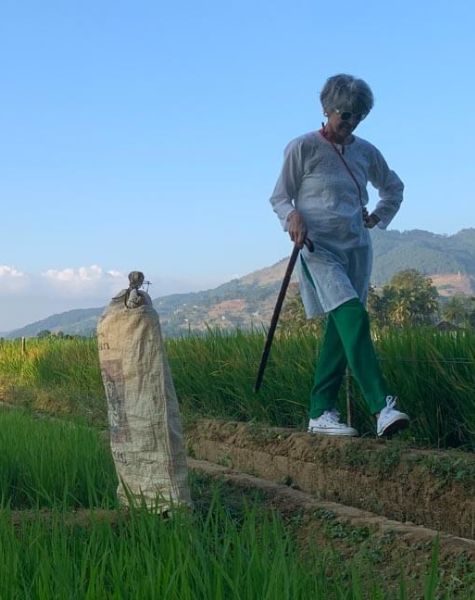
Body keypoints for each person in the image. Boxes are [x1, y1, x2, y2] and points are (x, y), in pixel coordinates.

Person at [269, 73, 409, 437]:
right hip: (318, 248)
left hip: (357, 249)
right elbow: (280, 196)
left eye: (358, 116)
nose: (350, 123)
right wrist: (292, 216)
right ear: (326, 109)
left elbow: (393, 188)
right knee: (353, 315)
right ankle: (382, 406)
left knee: (340, 327)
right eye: (344, 115)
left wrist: (377, 216)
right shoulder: (303, 147)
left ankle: (319, 413)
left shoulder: (366, 152)